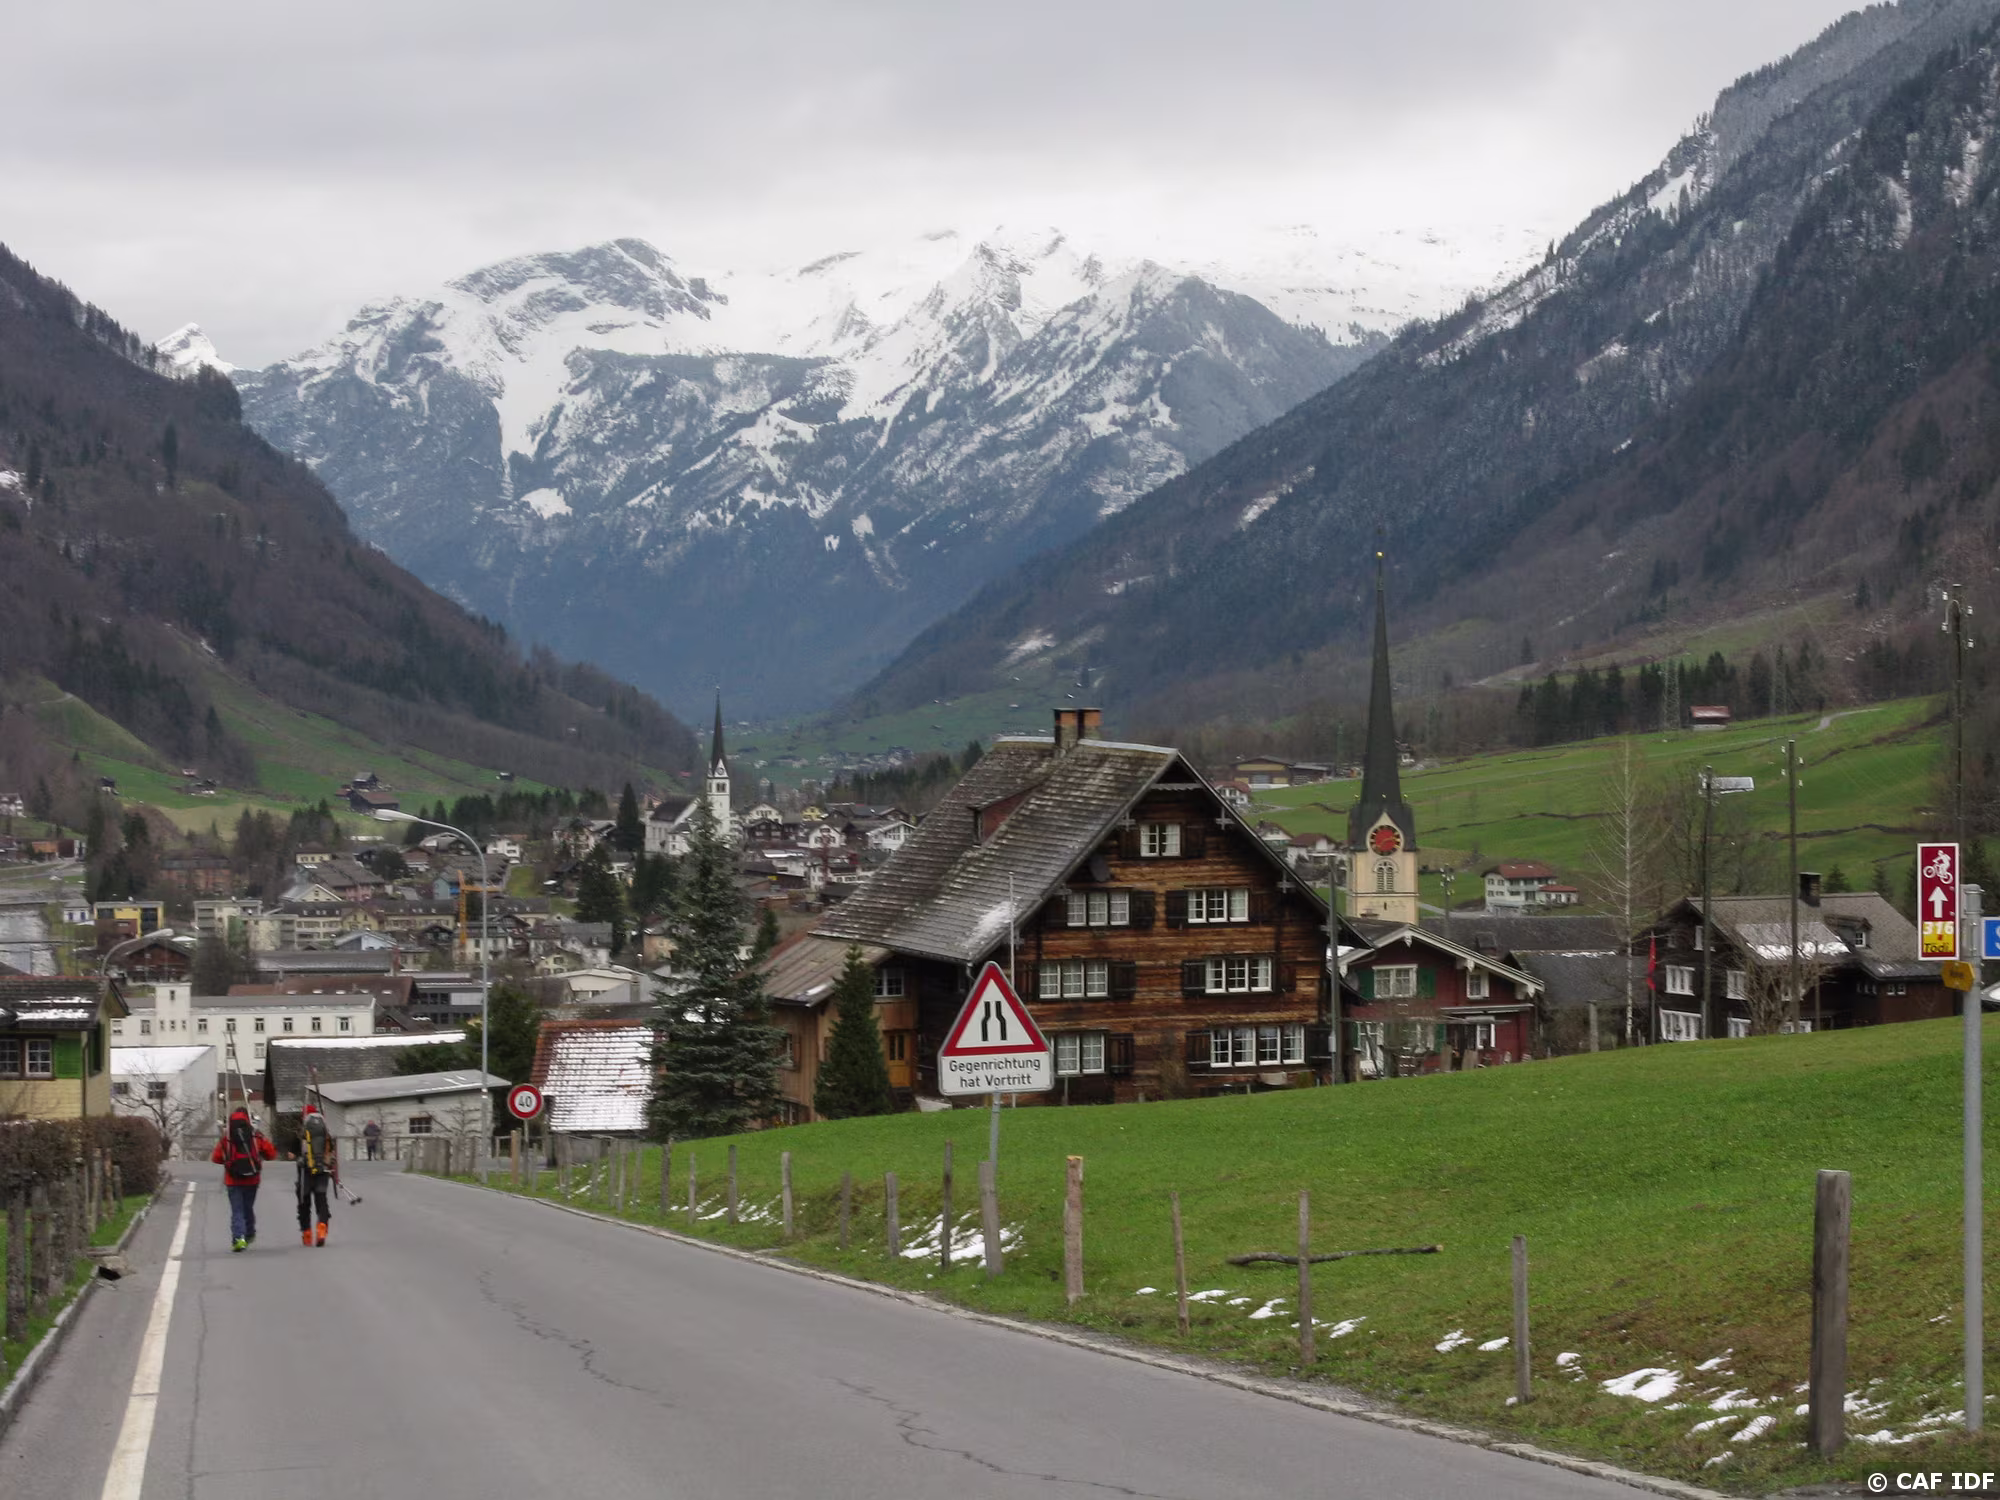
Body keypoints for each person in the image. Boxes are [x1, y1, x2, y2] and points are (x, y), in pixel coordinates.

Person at [211, 1106, 277, 1252]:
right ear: (248, 1117)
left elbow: (216, 1157)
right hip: (252, 1179)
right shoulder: (254, 1134)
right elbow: (271, 1153)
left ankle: (238, 1238)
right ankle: (249, 1233)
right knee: (248, 1207)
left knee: (237, 1210)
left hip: (232, 1179)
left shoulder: (228, 1136)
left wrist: (228, 1161)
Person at [296, 1102, 337, 1247]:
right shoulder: (325, 1131)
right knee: (321, 1201)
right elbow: (331, 1151)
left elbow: (294, 1153)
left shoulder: (302, 1131)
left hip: (305, 1172)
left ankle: (307, 1233)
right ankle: (322, 1228)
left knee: (304, 1204)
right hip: (322, 1171)